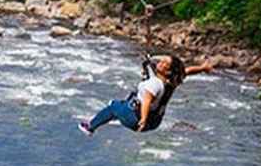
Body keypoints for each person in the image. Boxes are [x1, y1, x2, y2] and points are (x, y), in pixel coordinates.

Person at [78, 54, 214, 135]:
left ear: (167, 71)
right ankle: (116, 116)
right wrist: (203, 68)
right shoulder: (172, 82)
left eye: (163, 63)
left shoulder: (154, 84)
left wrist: (142, 119)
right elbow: (187, 71)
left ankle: (90, 127)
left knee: (113, 106)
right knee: (123, 105)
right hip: (154, 122)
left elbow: (146, 102)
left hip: (137, 120)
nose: (160, 63)